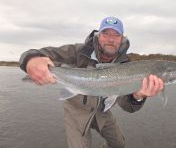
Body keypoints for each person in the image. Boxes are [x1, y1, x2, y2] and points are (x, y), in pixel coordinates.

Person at [19, 16, 164, 148]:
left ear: (122, 38)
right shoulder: (77, 51)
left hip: (102, 112)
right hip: (76, 112)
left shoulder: (127, 65)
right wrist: (31, 60)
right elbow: (40, 53)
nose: (110, 39)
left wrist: (138, 97)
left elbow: (126, 106)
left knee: (119, 144)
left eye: (116, 35)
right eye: (106, 33)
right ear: (98, 35)